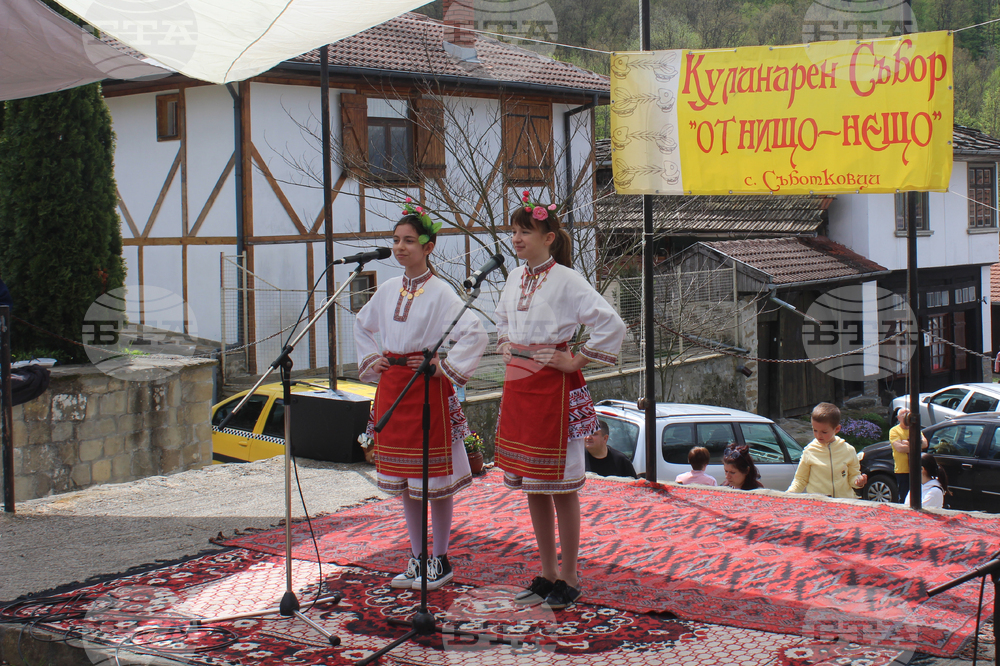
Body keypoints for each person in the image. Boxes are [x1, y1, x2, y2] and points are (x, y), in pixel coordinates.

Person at [494, 193, 626, 611]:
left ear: (549, 237)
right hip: (520, 385)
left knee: (563, 486)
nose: (516, 237)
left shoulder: (568, 280)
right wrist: (504, 343)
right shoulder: (514, 277)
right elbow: (500, 317)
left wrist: (575, 360)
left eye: (525, 231)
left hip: (554, 386)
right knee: (533, 484)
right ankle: (547, 572)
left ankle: (569, 575)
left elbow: (612, 323)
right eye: (514, 231)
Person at [354, 201, 487, 591]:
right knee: (406, 480)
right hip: (393, 387)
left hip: (426, 388)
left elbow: (475, 333)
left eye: (409, 241)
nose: (400, 247)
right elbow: (362, 326)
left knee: (433, 479)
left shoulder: (443, 292)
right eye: (395, 240)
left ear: (428, 246)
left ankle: (440, 559)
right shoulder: (388, 289)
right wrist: (371, 358)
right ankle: (416, 557)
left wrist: (440, 367)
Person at [787, 402, 867, 498]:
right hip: (818, 506)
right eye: (815, 430)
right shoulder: (809, 451)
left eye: (824, 432)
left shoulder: (848, 450)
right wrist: (788, 496)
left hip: (843, 505)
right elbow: (800, 479)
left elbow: (853, 476)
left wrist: (858, 481)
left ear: (837, 429)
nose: (818, 435)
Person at [889, 409, 929, 503]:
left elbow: (925, 444)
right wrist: (916, 446)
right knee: (904, 496)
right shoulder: (894, 431)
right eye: (904, 414)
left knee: (918, 497)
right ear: (898, 418)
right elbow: (900, 448)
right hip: (903, 470)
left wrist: (906, 442)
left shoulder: (915, 429)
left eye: (908, 413)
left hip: (916, 469)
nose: (907, 416)